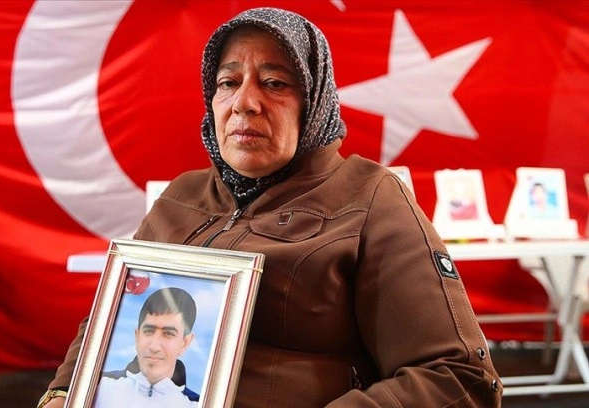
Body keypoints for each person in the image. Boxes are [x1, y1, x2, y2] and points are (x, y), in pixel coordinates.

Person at [40, 7, 502, 407]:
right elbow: (110, 319)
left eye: (275, 82)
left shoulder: (370, 198)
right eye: (228, 82)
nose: (245, 103)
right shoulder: (180, 196)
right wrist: (62, 392)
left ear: (314, 102)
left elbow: (457, 376)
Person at [92, 287, 199, 407]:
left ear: (185, 343)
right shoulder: (97, 386)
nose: (154, 347)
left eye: (168, 334)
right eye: (149, 331)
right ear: (137, 336)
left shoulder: (198, 404)